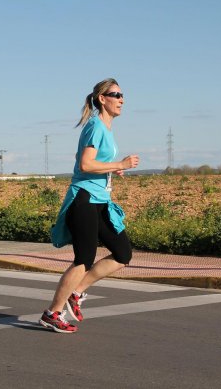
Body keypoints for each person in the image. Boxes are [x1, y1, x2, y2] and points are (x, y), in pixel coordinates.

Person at [39, 78, 139, 333]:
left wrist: (111, 170)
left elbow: (90, 162)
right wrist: (120, 165)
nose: (121, 100)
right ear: (102, 98)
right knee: (83, 259)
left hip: (100, 201)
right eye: (116, 94)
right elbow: (84, 164)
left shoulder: (105, 128)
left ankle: (77, 292)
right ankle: (52, 313)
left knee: (122, 253)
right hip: (84, 199)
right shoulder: (95, 125)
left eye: (122, 95)